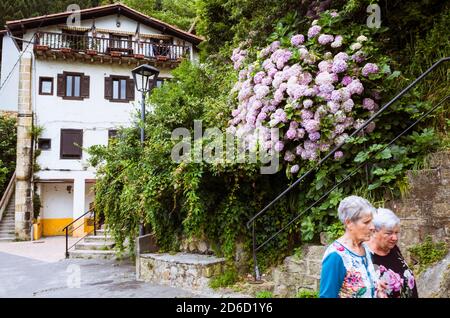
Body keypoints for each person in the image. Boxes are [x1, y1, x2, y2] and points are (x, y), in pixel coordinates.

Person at [320, 195, 383, 298]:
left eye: (372, 221)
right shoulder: (336, 256)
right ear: (349, 223)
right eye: (366, 222)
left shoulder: (365, 248)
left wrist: (376, 287)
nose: (372, 227)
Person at [368, 208, 418, 298]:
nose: (395, 238)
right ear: (374, 232)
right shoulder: (364, 257)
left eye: (396, 232)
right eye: (389, 233)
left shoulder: (393, 248)